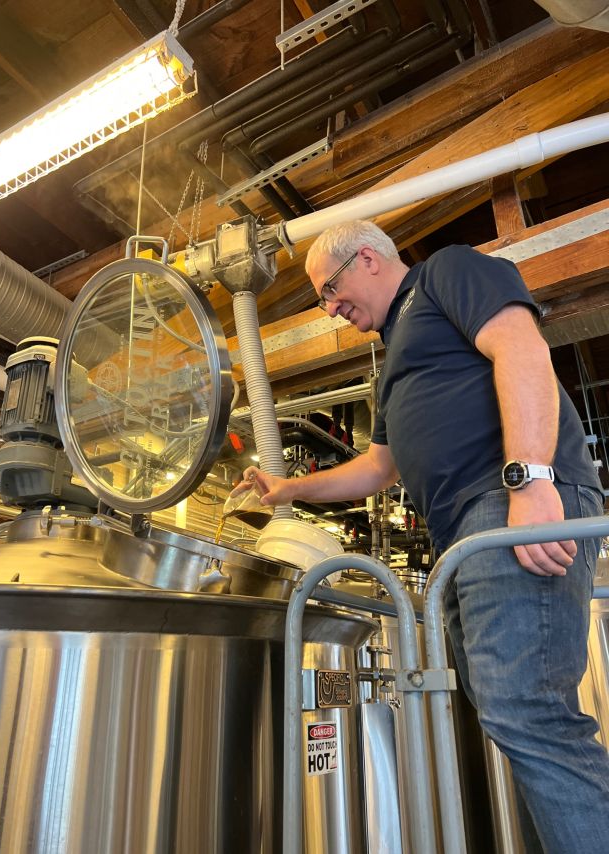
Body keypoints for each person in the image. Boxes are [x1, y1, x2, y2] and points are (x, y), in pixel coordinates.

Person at [232, 220, 609, 852]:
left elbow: (521, 347)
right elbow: (380, 468)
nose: (330, 308)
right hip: (463, 531)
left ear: (370, 259)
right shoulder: (393, 362)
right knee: (508, 711)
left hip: (505, 501)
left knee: (526, 708)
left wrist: (530, 479)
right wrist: (287, 488)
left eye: (329, 290)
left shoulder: (447, 272)